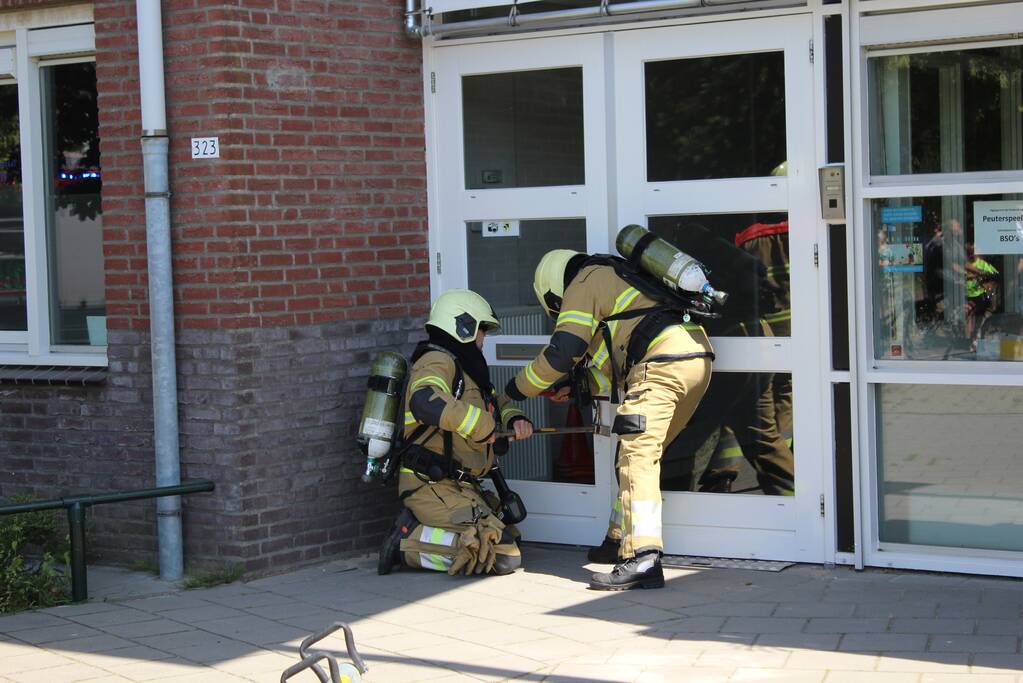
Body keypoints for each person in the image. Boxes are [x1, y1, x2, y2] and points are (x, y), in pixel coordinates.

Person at [505, 250, 714, 590]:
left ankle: (643, 558)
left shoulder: (585, 280)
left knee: (638, 456)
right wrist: (578, 387)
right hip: (694, 359)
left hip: (661, 362)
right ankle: (617, 539)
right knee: (631, 457)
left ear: (554, 290)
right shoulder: (617, 279)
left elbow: (563, 350)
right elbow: (614, 369)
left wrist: (516, 389)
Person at [378, 289, 534, 576]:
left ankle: (423, 531)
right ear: (461, 327)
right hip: (431, 485)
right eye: (481, 331)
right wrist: (479, 425)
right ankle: (407, 542)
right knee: (501, 555)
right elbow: (424, 399)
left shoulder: (469, 370)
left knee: (511, 537)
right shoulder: (436, 361)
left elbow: (494, 407)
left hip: (460, 486)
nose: (484, 339)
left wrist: (515, 420)